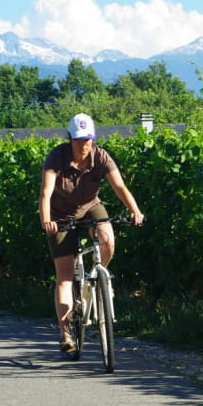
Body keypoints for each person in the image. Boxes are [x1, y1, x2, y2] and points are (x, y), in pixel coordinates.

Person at [39, 113, 145, 353]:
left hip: (90, 207)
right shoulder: (57, 157)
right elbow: (46, 192)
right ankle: (65, 334)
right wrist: (47, 220)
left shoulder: (101, 156)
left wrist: (135, 210)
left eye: (87, 140)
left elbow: (119, 186)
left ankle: (99, 280)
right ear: (70, 139)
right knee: (65, 276)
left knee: (107, 238)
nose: (83, 145)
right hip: (60, 215)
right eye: (78, 140)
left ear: (93, 139)